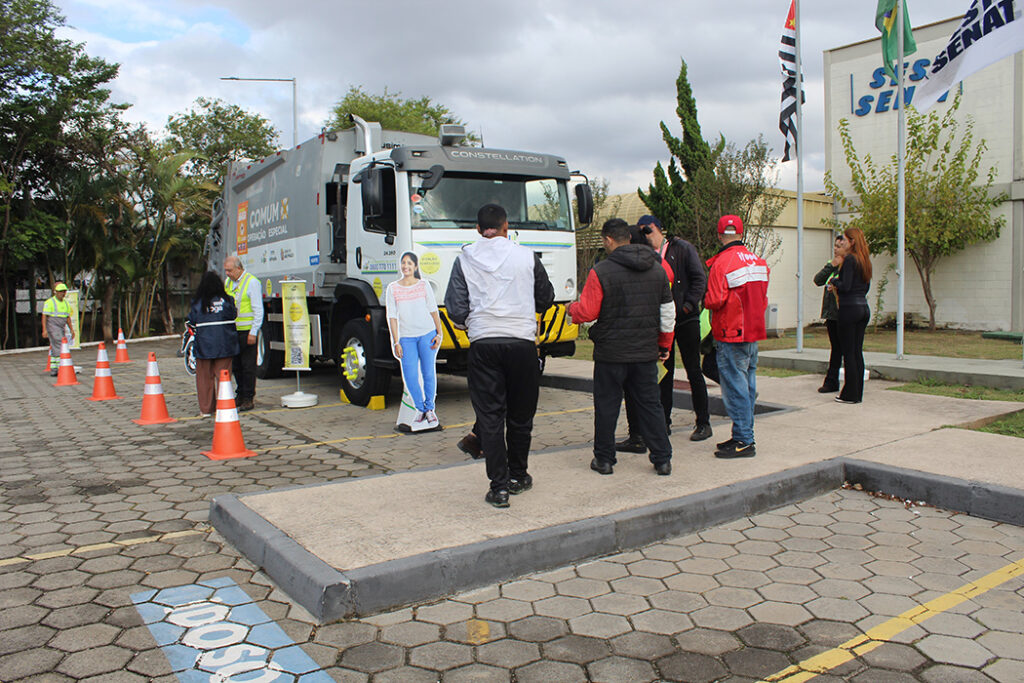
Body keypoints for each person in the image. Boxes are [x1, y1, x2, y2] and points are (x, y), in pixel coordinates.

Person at [445, 204, 554, 508]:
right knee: (521, 416)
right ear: (507, 227)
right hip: (521, 344)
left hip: (484, 345)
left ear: (479, 230)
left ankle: (499, 487)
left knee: (491, 417)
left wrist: (473, 321)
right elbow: (546, 297)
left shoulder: (464, 259)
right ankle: (519, 475)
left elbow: (455, 307)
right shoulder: (527, 256)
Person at [569, 218, 675, 477]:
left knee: (607, 407)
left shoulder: (601, 271)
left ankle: (604, 460)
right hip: (645, 353)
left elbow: (588, 311)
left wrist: (571, 309)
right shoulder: (658, 269)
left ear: (608, 240)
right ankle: (662, 459)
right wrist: (664, 345)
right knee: (651, 406)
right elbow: (668, 314)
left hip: (611, 354)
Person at [618, 215, 710, 455]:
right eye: (641, 233)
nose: (645, 235)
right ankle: (664, 422)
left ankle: (703, 422)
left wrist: (688, 305)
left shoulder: (681, 248)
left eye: (647, 230)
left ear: (657, 228)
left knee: (693, 370)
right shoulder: (646, 255)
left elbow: (699, 279)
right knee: (664, 373)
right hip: (662, 322)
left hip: (686, 318)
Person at [704, 215, 769, 459]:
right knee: (748, 387)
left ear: (720, 235)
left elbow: (714, 300)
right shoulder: (758, 262)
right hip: (752, 333)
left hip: (730, 333)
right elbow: (762, 299)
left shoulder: (721, 263)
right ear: (741, 234)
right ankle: (742, 434)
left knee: (735, 389)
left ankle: (744, 440)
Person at [386, 252, 443, 427]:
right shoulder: (393, 288)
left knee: (428, 373)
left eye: (410, 263)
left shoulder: (423, 285)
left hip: (426, 333)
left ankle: (430, 410)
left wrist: (439, 333)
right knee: (410, 376)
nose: (406, 266)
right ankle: (420, 408)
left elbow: (433, 309)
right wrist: (396, 341)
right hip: (406, 338)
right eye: (403, 263)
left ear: (415, 267)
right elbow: (392, 316)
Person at [829, 227, 872, 404]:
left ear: (852, 242)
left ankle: (850, 394)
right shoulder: (864, 260)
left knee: (848, 353)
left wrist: (833, 280)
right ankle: (857, 392)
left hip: (849, 309)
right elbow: (865, 286)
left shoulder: (850, 260)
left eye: (845, 240)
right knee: (857, 351)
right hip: (863, 307)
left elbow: (845, 285)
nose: (842, 243)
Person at [189, 272, 240, 417]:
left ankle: (206, 409)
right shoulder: (228, 300)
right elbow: (233, 315)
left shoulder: (198, 302)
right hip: (225, 344)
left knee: (204, 378)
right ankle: (224, 407)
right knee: (223, 376)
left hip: (205, 345)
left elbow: (192, 320)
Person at [223, 255, 263, 412]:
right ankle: (239, 394)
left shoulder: (251, 282)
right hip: (232, 331)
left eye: (230, 270)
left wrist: (254, 332)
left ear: (239, 268)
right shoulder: (228, 283)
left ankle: (248, 397)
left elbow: (258, 309)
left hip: (247, 331)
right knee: (236, 366)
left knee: (248, 366)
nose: (227, 273)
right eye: (225, 270)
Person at [813, 235, 845, 394]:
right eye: (835, 246)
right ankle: (832, 381)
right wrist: (831, 265)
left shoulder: (850, 266)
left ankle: (848, 381)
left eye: (839, 246)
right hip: (832, 314)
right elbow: (818, 280)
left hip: (844, 313)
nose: (836, 249)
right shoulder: (832, 266)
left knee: (846, 348)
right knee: (836, 348)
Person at [42, 282, 75, 376]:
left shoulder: (66, 303)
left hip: (61, 327)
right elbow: (44, 316)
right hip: (53, 326)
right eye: (61, 291)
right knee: (59, 344)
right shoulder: (50, 302)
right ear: (56, 292)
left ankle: (54, 368)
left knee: (56, 346)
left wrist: (71, 329)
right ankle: (61, 367)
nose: (63, 293)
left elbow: (67, 318)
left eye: (64, 291)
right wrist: (44, 329)